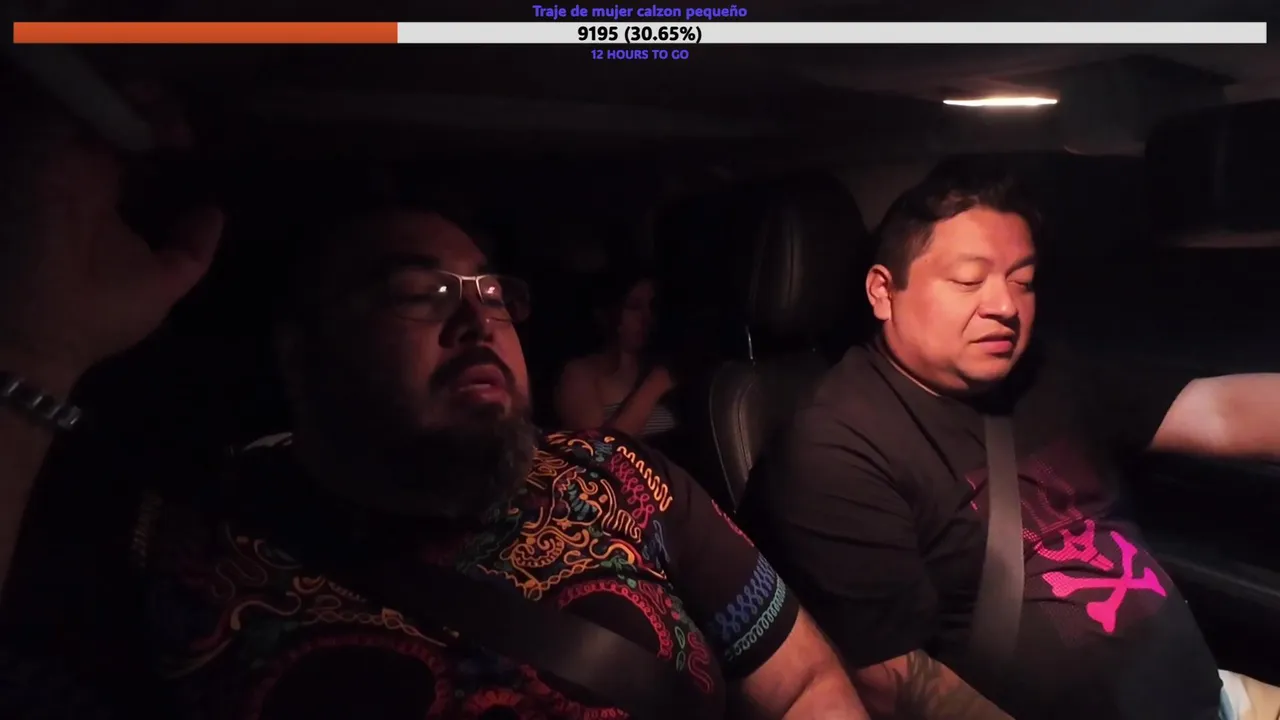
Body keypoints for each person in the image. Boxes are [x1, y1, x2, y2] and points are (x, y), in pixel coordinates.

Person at [0, 74, 868, 719]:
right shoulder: (167, 551)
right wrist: (36, 350)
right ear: (302, 350)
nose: (476, 318)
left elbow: (802, 683)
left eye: (491, 291)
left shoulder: (618, 476)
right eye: (419, 294)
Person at [740, 161, 1280, 720]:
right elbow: (893, 678)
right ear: (883, 292)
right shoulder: (836, 446)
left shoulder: (1048, 374)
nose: (1004, 306)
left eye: (1021, 281)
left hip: (1217, 696)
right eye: (968, 280)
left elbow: (1218, 411)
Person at [555, 269, 679, 438]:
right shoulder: (580, 374)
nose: (647, 317)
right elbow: (597, 450)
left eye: (652, 306)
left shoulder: (662, 369)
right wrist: (652, 389)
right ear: (607, 313)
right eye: (634, 307)